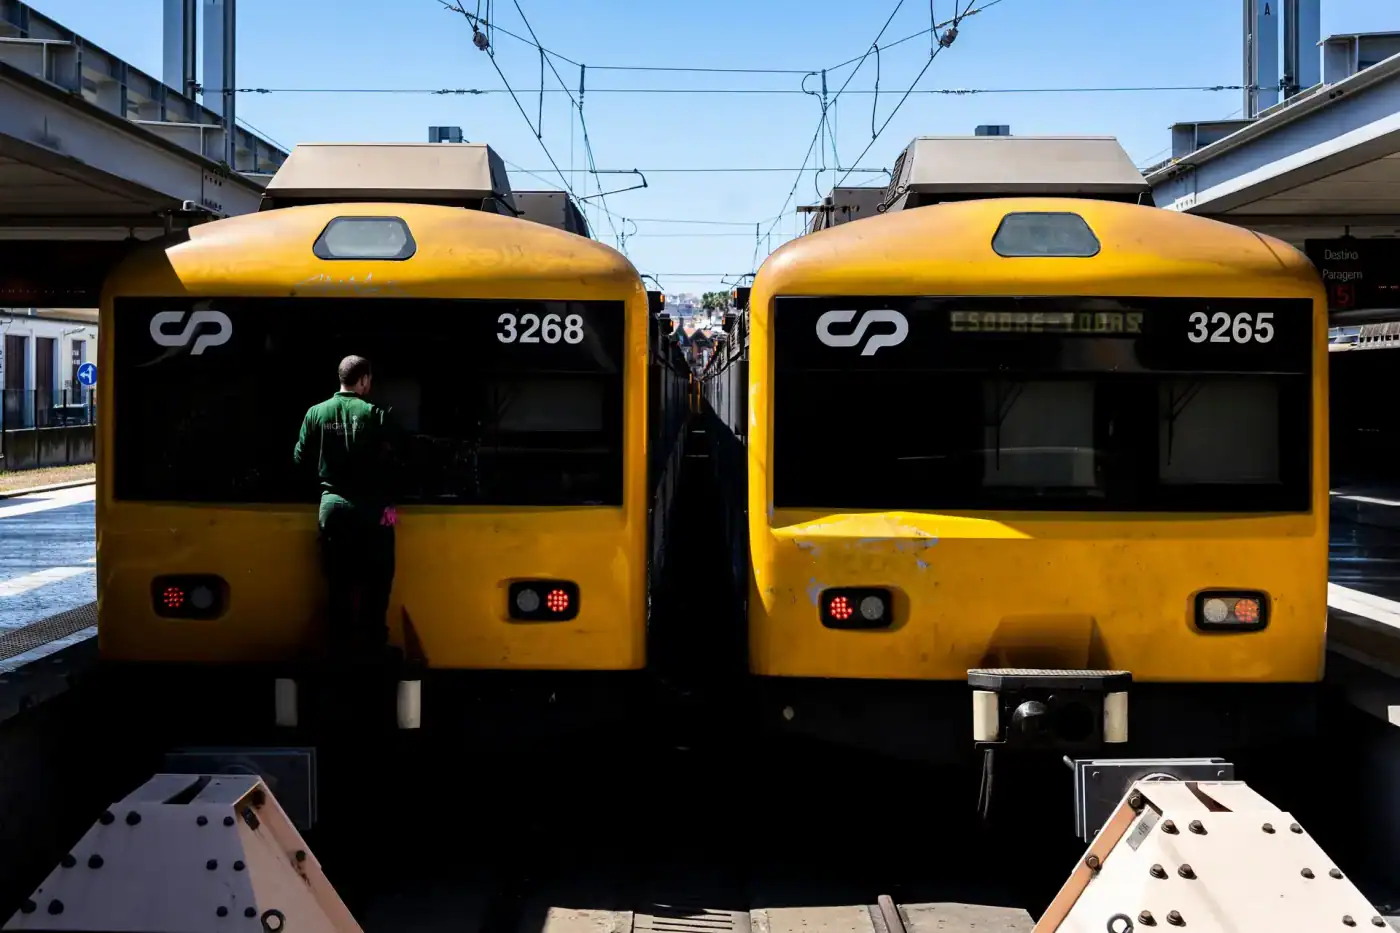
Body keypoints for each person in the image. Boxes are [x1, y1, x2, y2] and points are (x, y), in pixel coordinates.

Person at [293, 355, 398, 664]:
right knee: (378, 578)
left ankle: (338, 644)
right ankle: (372, 643)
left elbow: (300, 459)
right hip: (372, 511)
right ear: (364, 380)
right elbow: (393, 465)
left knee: (338, 579)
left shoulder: (316, 413)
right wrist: (389, 506)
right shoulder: (376, 415)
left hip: (333, 509)